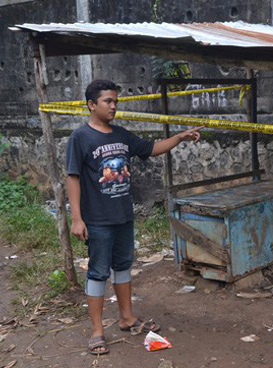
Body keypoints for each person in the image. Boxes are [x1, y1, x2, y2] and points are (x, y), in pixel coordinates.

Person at [66, 79, 203, 355]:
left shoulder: (121, 134)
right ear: (92, 105)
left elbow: (150, 148)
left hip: (123, 217)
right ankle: (96, 332)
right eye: (108, 101)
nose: (114, 106)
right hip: (98, 220)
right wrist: (77, 219)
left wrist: (178, 138)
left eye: (116, 101)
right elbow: (73, 178)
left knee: (124, 266)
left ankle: (126, 317)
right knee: (97, 272)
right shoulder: (80, 138)